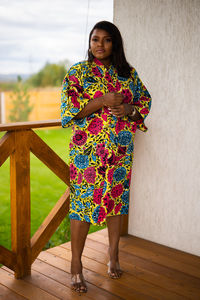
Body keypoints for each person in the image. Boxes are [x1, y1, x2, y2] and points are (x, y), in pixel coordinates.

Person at [61, 20, 151, 293]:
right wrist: (101, 101)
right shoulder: (78, 72)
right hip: (87, 154)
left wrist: (129, 109)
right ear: (89, 43)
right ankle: (76, 266)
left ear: (115, 43)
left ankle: (114, 257)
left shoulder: (128, 74)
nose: (99, 45)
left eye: (106, 40)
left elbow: (144, 102)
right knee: (81, 206)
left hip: (119, 153)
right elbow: (69, 110)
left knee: (116, 202)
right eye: (94, 39)